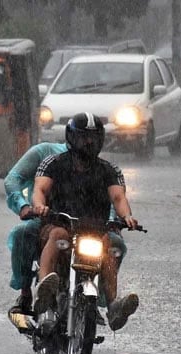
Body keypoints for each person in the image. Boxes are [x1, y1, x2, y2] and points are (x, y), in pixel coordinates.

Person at [31, 112, 139, 331]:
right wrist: (40, 205)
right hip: (59, 226)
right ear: (71, 138)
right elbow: (39, 190)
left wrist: (126, 216)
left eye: (94, 138)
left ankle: (112, 306)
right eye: (83, 137)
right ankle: (45, 291)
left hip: (93, 232)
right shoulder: (54, 163)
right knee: (59, 236)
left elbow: (118, 197)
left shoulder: (109, 170)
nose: (89, 143)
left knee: (109, 247)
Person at [4, 142, 128, 318]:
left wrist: (115, 221)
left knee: (115, 244)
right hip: (52, 220)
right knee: (23, 234)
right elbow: (13, 179)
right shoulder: (48, 158)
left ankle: (107, 302)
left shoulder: (101, 166)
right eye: (83, 137)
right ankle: (26, 294)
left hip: (89, 226)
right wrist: (24, 206)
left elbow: (113, 198)